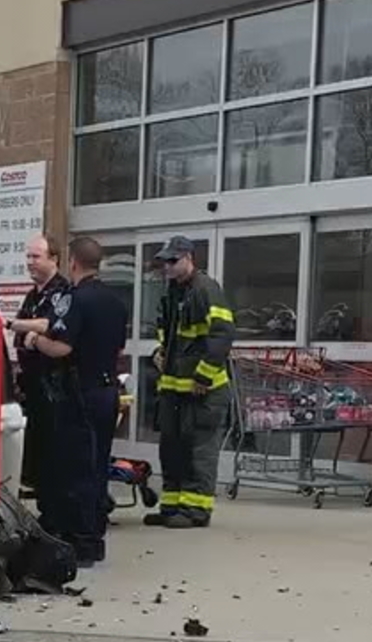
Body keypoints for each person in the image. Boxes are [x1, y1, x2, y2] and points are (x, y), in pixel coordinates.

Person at [26, 236, 126, 566]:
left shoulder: (76, 299)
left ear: (72, 262)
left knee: (77, 467)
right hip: (108, 390)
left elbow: (61, 346)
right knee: (98, 466)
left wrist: (35, 340)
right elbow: (118, 348)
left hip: (80, 393)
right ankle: (95, 538)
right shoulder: (116, 301)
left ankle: (80, 541)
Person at [146, 235, 235, 529]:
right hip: (174, 389)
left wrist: (203, 376)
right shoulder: (173, 291)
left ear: (188, 258)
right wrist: (159, 352)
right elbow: (166, 330)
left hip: (203, 392)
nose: (168, 267)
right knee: (172, 448)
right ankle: (172, 506)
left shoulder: (206, 289)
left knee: (199, 450)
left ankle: (197, 510)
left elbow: (221, 334)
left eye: (173, 261)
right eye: (165, 262)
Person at [6, 233, 70, 501]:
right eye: (28, 257)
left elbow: (48, 325)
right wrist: (25, 333)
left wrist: (13, 325)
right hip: (32, 382)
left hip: (53, 382)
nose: (30, 263)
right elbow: (24, 336)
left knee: (51, 446)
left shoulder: (61, 291)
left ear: (53, 259)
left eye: (36, 257)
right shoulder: (34, 295)